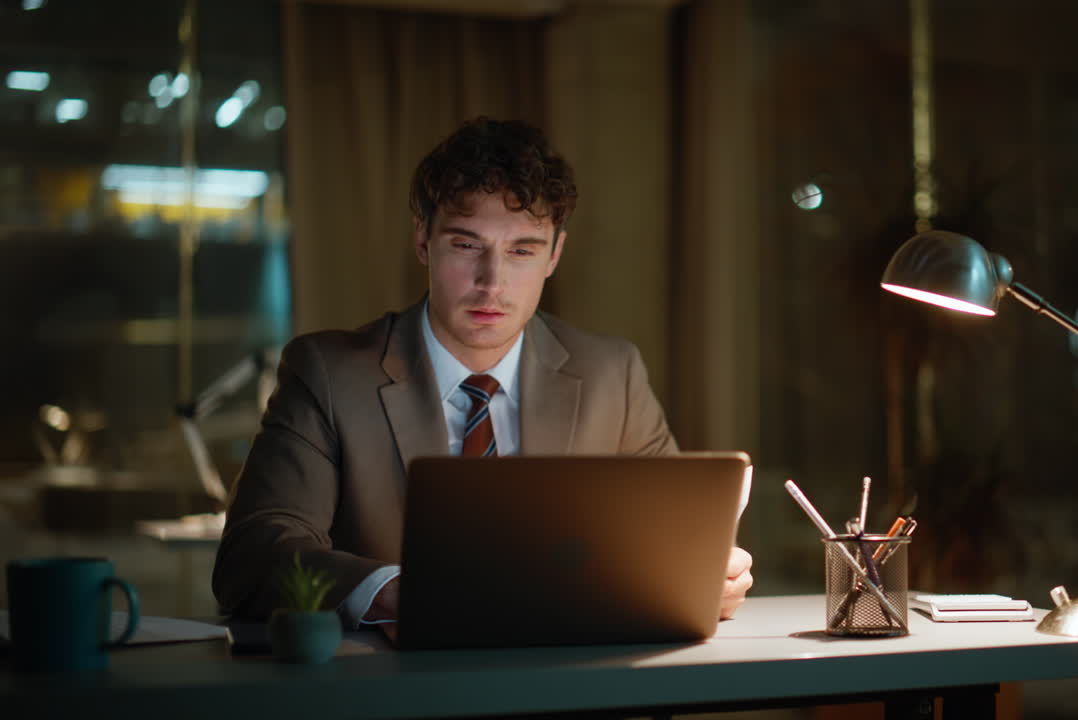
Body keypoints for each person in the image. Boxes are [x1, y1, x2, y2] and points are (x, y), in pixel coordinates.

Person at [212, 117, 753, 636]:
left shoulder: (613, 373)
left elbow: (670, 544)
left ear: (555, 255)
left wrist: (705, 575)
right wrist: (404, 592)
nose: (491, 283)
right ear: (423, 241)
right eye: (467, 246)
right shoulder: (328, 373)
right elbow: (255, 553)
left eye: (522, 250)